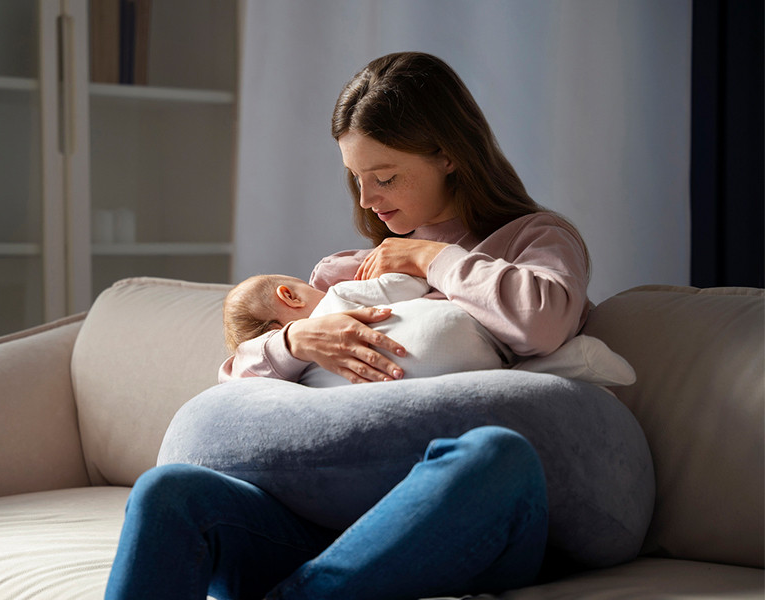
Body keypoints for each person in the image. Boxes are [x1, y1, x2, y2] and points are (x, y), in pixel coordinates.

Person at [105, 51, 593, 599]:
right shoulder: (343, 274)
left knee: (496, 457)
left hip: (457, 520)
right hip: (331, 520)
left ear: (449, 156)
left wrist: (430, 259)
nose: (366, 200)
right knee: (167, 492)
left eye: (384, 177)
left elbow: (543, 323)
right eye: (356, 178)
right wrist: (295, 340)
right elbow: (237, 400)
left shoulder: (534, 240)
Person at [220, 272, 507, 387]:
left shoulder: (303, 379)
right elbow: (411, 284)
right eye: (308, 287)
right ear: (290, 296)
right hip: (481, 351)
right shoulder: (338, 295)